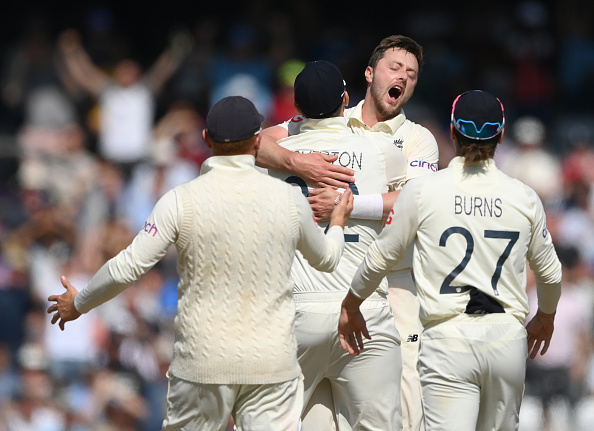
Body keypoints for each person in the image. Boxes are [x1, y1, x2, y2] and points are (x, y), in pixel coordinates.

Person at [46, 95, 354, 431]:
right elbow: (327, 258)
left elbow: (128, 266)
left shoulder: (181, 200)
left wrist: (78, 303)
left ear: (206, 139)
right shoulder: (289, 199)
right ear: (258, 141)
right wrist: (337, 222)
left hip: (202, 361)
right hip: (271, 362)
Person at [338, 90, 563, 431]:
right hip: (506, 340)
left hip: (447, 340)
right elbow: (550, 274)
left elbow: (381, 257)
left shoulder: (424, 190)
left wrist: (351, 303)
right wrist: (545, 317)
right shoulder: (524, 197)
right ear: (501, 136)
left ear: (453, 132)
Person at [258, 35, 438, 431]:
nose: (404, 78)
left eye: (412, 74)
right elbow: (257, 143)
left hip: (394, 288)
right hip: (326, 286)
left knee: (406, 417)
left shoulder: (417, 138)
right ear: (370, 74)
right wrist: (301, 164)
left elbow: (419, 200)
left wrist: (351, 203)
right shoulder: (330, 121)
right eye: (396, 68)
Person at [57, 28, 190, 177]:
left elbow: (163, 69)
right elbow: (84, 74)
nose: (125, 73)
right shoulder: (109, 92)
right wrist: (72, 52)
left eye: (129, 69)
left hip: (141, 158)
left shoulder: (143, 92)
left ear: (137, 71)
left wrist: (177, 49)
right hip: (112, 159)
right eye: (122, 69)